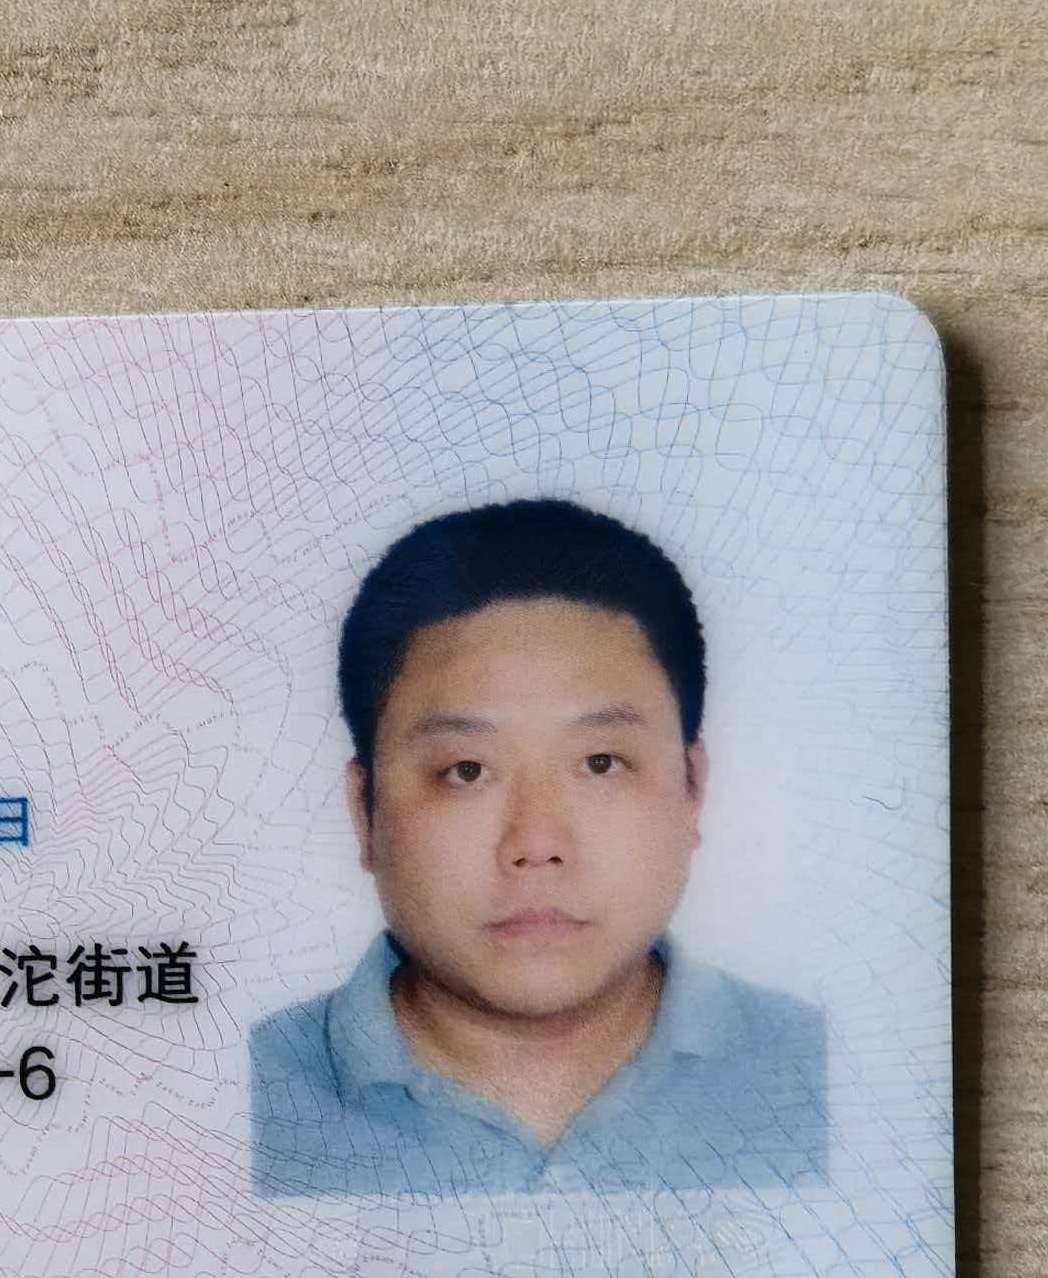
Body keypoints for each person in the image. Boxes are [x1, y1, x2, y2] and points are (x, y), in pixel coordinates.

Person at [250, 497, 825, 1196]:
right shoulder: (231, 1095)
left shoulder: (835, 1078)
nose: (536, 844)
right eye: (467, 771)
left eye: (600, 764)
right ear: (364, 813)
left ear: (692, 790)